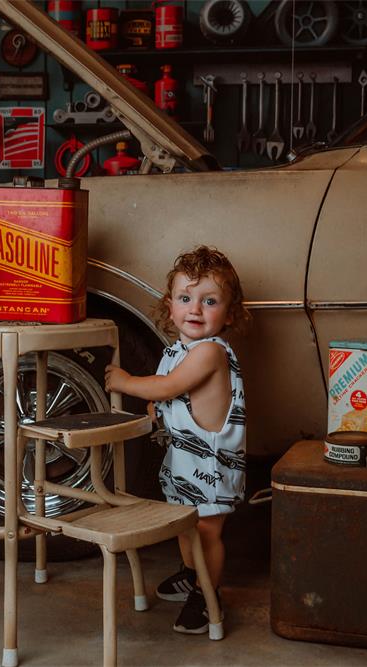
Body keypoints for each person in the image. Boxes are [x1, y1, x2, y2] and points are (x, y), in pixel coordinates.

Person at [104, 245, 250, 634]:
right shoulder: (178, 350)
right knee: (186, 528)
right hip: (183, 463)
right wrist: (159, 412)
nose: (195, 310)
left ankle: (208, 594)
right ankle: (192, 574)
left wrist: (126, 382)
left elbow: (168, 386)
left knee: (206, 531)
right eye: (186, 298)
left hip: (210, 468)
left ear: (230, 313)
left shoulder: (211, 353)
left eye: (210, 301)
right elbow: (176, 399)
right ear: (170, 307)